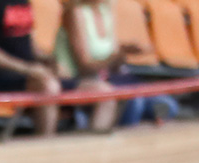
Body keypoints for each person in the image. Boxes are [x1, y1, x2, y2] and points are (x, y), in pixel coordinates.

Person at [0, 0, 59, 136]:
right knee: (48, 85)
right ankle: (46, 146)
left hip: (31, 73)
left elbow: (29, 43)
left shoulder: (23, 2)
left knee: (96, 89)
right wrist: (27, 68)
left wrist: (50, 61)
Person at [56, 0, 142, 132]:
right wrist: (117, 56)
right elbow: (84, 67)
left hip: (98, 78)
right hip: (72, 79)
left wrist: (124, 54)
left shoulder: (106, 10)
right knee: (123, 99)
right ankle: (96, 145)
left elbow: (111, 61)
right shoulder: (75, 13)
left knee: (160, 103)